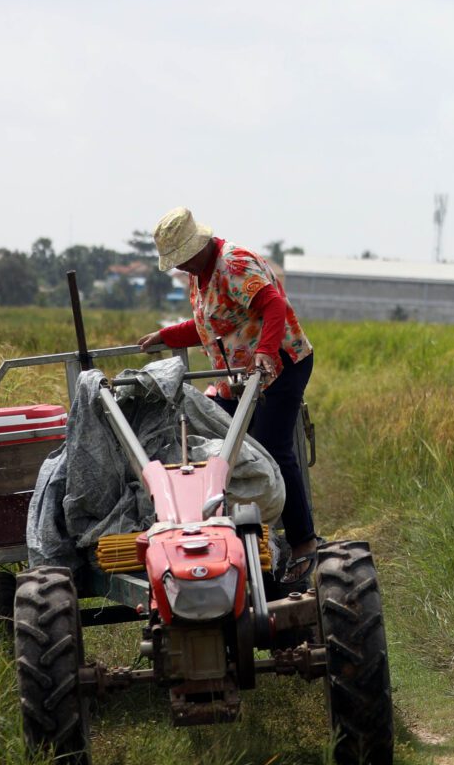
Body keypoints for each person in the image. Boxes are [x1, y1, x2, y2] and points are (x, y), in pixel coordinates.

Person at [136, 207, 319, 569]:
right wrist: (167, 335)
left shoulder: (234, 264)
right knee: (220, 449)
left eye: (183, 257)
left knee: (272, 450)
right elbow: (210, 324)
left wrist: (265, 353)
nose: (181, 266)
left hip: (279, 367)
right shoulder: (199, 275)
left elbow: (273, 305)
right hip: (237, 378)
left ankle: (303, 543)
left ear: (199, 245)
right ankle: (234, 536)